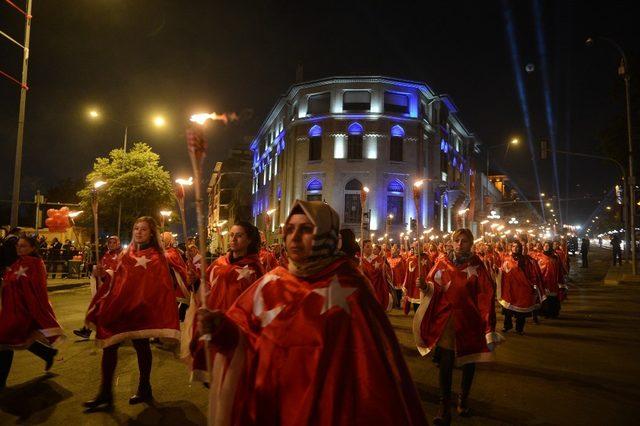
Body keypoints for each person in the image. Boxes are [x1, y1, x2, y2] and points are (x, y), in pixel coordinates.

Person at [197, 200, 427, 425]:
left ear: (326, 235)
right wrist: (220, 328)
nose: (294, 237)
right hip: (273, 403)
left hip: (327, 409)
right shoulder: (272, 282)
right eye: (290, 229)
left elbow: (369, 371)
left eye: (306, 229)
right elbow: (244, 334)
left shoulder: (352, 289)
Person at [83, 217, 180, 412]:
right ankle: (105, 393)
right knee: (109, 346)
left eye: (143, 229)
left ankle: (144, 387)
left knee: (142, 346)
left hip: (141, 311)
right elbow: (117, 277)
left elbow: (163, 285)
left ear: (151, 233)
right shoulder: (126, 255)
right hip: (121, 308)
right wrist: (102, 273)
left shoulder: (158, 257)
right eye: (136, 228)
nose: (139, 232)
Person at [413, 229, 500, 424]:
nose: (460, 244)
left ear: (471, 244)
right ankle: (444, 406)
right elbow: (433, 286)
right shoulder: (442, 262)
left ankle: (463, 398)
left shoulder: (477, 265)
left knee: (469, 362)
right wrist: (425, 287)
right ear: (452, 243)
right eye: (457, 241)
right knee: (445, 365)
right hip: (447, 323)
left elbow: (486, 294)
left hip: (470, 322)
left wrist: (488, 326)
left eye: (465, 241)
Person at [187, 221, 264, 382]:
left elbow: (257, 300)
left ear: (249, 240)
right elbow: (206, 286)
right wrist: (195, 281)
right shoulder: (219, 262)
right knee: (214, 372)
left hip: (237, 326)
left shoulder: (255, 268)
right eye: (231, 235)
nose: (233, 239)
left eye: (239, 235)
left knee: (233, 376)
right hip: (214, 322)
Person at [1, 235, 64, 389]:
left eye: (23, 246)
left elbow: (36, 289)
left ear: (32, 248)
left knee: (4, 341)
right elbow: (12, 281)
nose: (19, 248)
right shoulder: (19, 262)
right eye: (18, 246)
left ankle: (0, 382)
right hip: (12, 309)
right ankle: (47, 353)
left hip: (24, 311)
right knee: (18, 338)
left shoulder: (35, 264)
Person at [74, 236, 123, 339]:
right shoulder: (106, 255)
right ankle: (87, 329)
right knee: (98, 308)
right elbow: (101, 267)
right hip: (103, 287)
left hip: (114, 288)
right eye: (110, 242)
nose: (112, 244)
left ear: (118, 243)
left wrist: (107, 274)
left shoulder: (121, 255)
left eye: (114, 242)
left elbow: (118, 271)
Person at [499, 241, 542, 334]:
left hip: (522, 289)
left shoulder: (526, 260)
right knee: (508, 310)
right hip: (510, 289)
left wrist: (533, 285)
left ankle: (519, 329)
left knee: (521, 312)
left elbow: (531, 274)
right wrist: (497, 271)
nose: (515, 248)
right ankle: (507, 326)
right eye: (513, 246)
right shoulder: (507, 259)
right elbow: (502, 272)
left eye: (517, 246)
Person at [360, 240, 393, 311]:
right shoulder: (361, 261)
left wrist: (384, 267)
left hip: (377, 289)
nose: (370, 248)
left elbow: (386, 273)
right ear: (362, 248)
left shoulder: (378, 259)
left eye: (371, 246)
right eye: (367, 246)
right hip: (366, 290)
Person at [536, 241, 564, 318]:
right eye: (544, 245)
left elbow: (559, 269)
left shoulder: (555, 257)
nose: (546, 247)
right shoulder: (538, 256)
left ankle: (552, 313)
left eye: (548, 245)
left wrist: (561, 282)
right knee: (544, 297)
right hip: (543, 281)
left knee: (552, 298)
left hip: (553, 282)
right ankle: (544, 312)